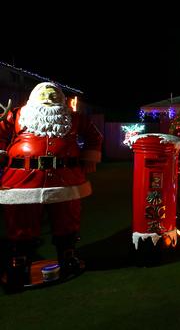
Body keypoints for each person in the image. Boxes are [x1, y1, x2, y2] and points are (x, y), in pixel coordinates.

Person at [0, 82, 103, 288]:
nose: (48, 97)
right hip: (22, 179)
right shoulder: (17, 115)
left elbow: (94, 136)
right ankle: (19, 262)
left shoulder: (74, 119)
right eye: (44, 93)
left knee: (68, 218)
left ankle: (68, 256)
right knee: (21, 221)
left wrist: (90, 157)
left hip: (65, 178)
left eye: (53, 93)